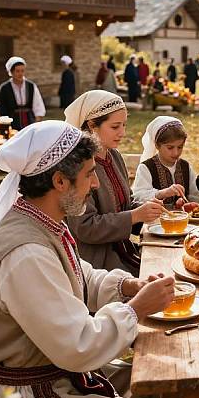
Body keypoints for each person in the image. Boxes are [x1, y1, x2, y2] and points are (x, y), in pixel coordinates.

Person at [0, 120, 174, 398]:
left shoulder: (43, 221)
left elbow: (78, 275)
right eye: (89, 174)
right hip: (29, 395)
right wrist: (136, 309)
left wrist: (126, 287)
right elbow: (77, 344)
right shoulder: (25, 254)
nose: (95, 184)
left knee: (166, 379)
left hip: (59, 371)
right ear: (59, 181)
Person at [64, 91, 165, 274]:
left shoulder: (114, 155)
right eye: (115, 126)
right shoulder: (78, 167)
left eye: (124, 125)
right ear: (92, 125)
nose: (122, 133)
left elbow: (124, 202)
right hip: (98, 262)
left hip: (123, 249)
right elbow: (85, 227)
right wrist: (135, 216)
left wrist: (148, 208)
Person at [132, 116, 199, 207]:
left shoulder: (185, 166)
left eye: (180, 147)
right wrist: (163, 193)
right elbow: (139, 196)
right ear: (157, 145)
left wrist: (187, 203)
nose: (176, 152)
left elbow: (195, 194)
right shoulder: (146, 168)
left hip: (183, 219)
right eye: (170, 148)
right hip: (155, 219)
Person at [0, 56, 45, 130]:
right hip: (12, 122)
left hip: (29, 121)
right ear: (11, 72)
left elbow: (38, 104)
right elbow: (1, 108)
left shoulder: (31, 86)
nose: (20, 73)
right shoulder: (5, 88)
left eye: (22, 71)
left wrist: (37, 121)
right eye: (17, 71)